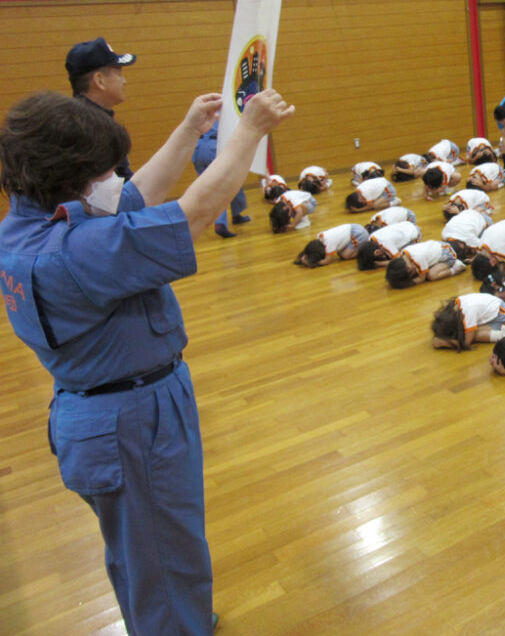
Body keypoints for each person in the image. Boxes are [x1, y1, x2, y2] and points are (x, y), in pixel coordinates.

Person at [0, 87, 293, 634]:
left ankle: (168, 614)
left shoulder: (27, 225)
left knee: (140, 552)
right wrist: (250, 132)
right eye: (102, 170)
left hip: (96, 411)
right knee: (162, 552)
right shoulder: (78, 252)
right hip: (133, 419)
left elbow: (130, 200)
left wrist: (188, 128)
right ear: (71, 177)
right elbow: (196, 212)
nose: (111, 179)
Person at [65, 36, 136, 179]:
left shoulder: (74, 119)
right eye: (119, 73)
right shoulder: (95, 130)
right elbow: (124, 192)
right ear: (100, 80)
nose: (124, 81)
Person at [191, 122, 250, 238]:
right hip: (214, 147)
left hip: (198, 147)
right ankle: (220, 223)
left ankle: (236, 213)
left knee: (232, 179)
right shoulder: (225, 108)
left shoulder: (204, 107)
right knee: (220, 187)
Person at [431, 293, 505, 351]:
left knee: (473, 335)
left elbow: (467, 343)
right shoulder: (456, 305)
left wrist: (444, 342)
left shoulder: (467, 313)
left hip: (503, 316)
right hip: (496, 310)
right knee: (469, 332)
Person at [384, 240, 466, 288]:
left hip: (447, 254)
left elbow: (421, 279)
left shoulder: (418, 258)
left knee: (431, 276)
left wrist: (408, 283)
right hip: (439, 245)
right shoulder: (404, 253)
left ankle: (456, 268)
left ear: (408, 269)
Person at [355, 220, 421, 270]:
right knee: (390, 255)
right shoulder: (371, 237)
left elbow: (401, 261)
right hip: (404, 225)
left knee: (406, 259)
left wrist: (379, 264)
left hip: (414, 234)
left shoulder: (386, 244)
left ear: (377, 252)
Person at [294, 223, 369, 267]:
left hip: (358, 234)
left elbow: (327, 261)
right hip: (354, 227)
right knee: (340, 252)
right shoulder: (319, 236)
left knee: (345, 256)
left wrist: (310, 263)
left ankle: (364, 248)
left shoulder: (328, 244)